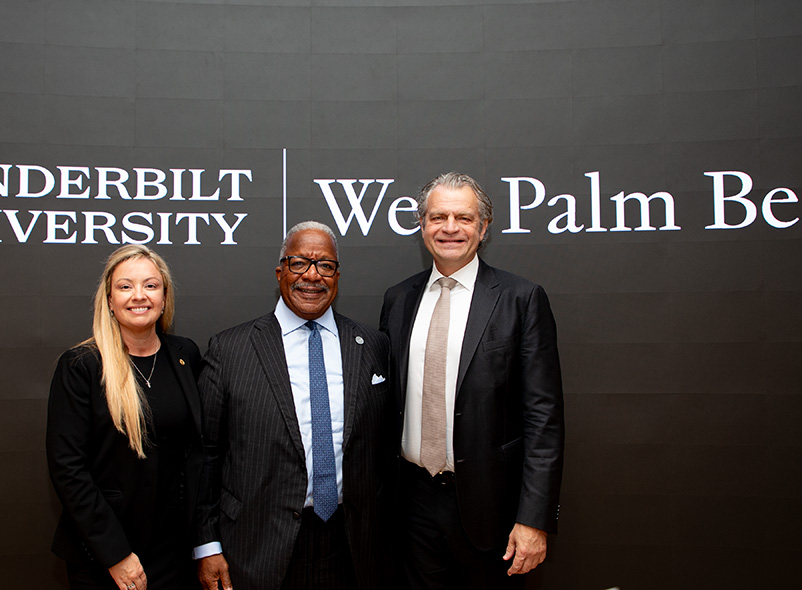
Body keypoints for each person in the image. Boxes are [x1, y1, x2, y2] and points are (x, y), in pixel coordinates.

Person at [379, 172, 565, 589]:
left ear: (483, 227)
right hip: (411, 505)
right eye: (438, 217)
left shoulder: (521, 299)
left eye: (463, 217)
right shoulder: (398, 299)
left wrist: (533, 520)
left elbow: (544, 421)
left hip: (489, 510)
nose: (449, 228)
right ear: (422, 226)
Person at [194, 221, 393, 590]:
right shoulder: (230, 350)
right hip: (258, 545)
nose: (312, 276)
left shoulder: (372, 345)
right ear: (280, 272)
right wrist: (207, 545)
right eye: (299, 263)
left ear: (337, 274)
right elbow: (206, 455)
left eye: (325, 266)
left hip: (351, 547)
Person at [47, 245, 204, 590]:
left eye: (150, 285)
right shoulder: (81, 366)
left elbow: (196, 454)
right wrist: (115, 555)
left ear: (164, 297)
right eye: (125, 286)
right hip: (105, 554)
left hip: (173, 550)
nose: (139, 296)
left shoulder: (185, 355)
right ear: (109, 300)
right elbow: (68, 469)